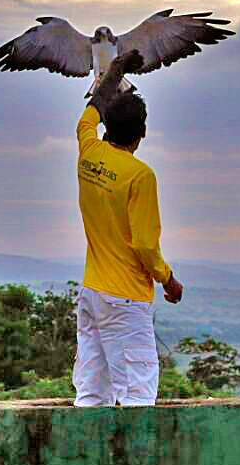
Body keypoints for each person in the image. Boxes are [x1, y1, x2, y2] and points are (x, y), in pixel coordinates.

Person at [72, 49, 184, 407]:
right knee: (137, 394)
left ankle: (84, 460)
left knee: (91, 391)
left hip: (92, 292)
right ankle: (136, 463)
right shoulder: (140, 176)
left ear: (106, 126)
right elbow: (146, 246)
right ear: (143, 132)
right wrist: (169, 280)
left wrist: (115, 71)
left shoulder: (88, 151)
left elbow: (88, 118)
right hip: (125, 300)